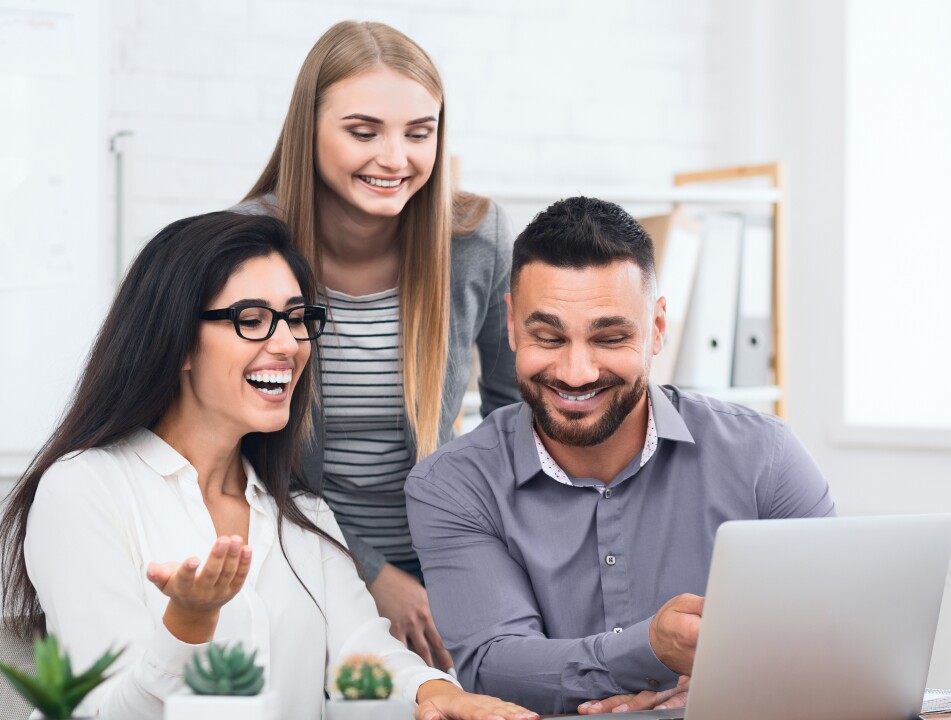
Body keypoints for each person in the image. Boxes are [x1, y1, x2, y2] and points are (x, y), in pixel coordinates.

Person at [0, 213, 535, 720]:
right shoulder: (84, 489)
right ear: (178, 342)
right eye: (251, 320)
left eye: (298, 319)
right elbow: (106, 712)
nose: (288, 344)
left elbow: (362, 650)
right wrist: (186, 625)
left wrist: (442, 692)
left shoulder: (303, 514)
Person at [404, 197, 837, 714]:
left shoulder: (765, 456)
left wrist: (730, 685)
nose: (577, 371)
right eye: (548, 336)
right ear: (513, 325)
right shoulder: (452, 485)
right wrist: (651, 650)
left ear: (656, 328)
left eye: (610, 337)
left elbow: (838, 632)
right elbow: (495, 665)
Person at [234, 20, 520, 671]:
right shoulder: (247, 243)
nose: (396, 158)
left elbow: (513, 418)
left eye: (420, 133)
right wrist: (369, 571)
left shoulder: (478, 237)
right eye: (364, 132)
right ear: (310, 129)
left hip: (445, 548)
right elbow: (238, 450)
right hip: (298, 548)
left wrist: (478, 560)